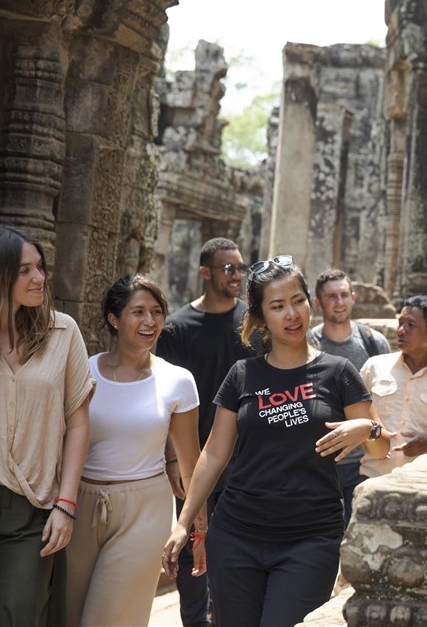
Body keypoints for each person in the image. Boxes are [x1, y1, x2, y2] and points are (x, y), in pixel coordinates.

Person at [163, 255, 391, 626]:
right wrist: (184, 522)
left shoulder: (338, 372)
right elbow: (215, 453)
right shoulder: (242, 374)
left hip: (310, 538)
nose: (292, 314)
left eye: (298, 301)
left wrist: (367, 429)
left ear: (309, 303)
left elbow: (383, 448)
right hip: (237, 533)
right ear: (259, 317)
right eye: (278, 306)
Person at [65, 274, 207, 627]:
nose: (150, 322)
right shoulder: (82, 370)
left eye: (157, 312)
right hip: (79, 504)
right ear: (114, 319)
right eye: (138, 312)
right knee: (67, 615)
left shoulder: (178, 380)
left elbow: (192, 465)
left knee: (106, 619)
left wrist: (196, 530)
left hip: (144, 508)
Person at [0, 224, 94, 626]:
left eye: (40, 267)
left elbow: (78, 422)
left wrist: (65, 506)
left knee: (17, 614)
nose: (39, 278)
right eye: (24, 270)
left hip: (31, 506)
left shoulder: (62, 331)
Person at [157, 237, 255, 627]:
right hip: (194, 457)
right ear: (205, 272)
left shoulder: (254, 321)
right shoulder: (178, 328)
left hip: (247, 458)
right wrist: (171, 459)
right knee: (189, 544)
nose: (236, 276)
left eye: (240, 268)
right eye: (228, 268)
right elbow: (167, 400)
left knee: (238, 546)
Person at [310, 269, 390, 527]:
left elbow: (383, 402)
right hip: (319, 462)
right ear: (318, 303)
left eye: (344, 295)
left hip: (363, 463)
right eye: (331, 297)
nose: (339, 302)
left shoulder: (373, 343)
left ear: (353, 298)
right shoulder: (308, 344)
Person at [359, 295, 427, 479]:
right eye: (400, 323)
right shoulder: (374, 367)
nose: (401, 331)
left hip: (421, 486)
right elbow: (351, 414)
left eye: (411, 325)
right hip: (371, 479)